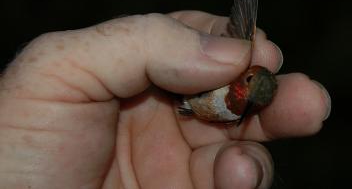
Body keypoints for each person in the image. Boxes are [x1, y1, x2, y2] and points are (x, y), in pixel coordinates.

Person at [0, 11, 331, 189]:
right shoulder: (229, 70)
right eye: (247, 81)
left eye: (250, 100)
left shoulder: (236, 112)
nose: (243, 92)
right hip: (190, 95)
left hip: (193, 107)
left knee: (241, 169)